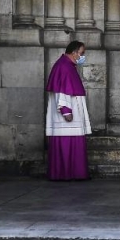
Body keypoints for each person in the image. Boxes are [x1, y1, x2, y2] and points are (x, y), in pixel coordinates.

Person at [45, 41, 91, 180]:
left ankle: (70, 173)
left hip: (71, 113)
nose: (82, 56)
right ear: (74, 52)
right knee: (67, 143)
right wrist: (66, 111)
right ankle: (67, 173)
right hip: (68, 116)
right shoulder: (64, 67)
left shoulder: (66, 65)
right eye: (81, 53)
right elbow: (62, 90)